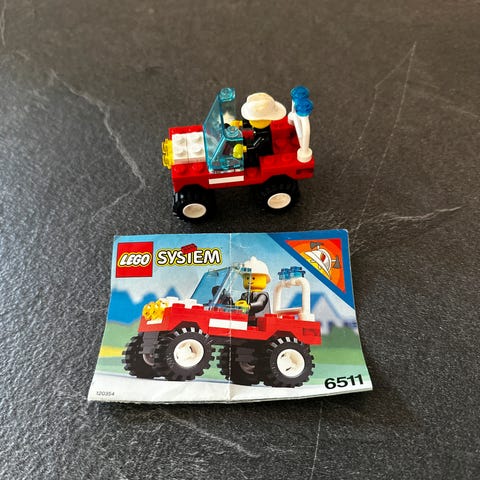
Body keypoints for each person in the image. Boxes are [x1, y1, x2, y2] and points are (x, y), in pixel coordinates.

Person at [240, 92, 286, 165]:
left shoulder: (263, 136)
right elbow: (250, 124)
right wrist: (240, 123)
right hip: (256, 138)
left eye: (254, 120)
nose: (250, 121)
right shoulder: (258, 127)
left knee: (252, 158)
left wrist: (244, 148)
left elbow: (255, 146)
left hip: (262, 153)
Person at [235, 256, 271, 325]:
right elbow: (241, 302)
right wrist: (235, 304)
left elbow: (260, 304)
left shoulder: (263, 295)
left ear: (264, 279)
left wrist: (249, 306)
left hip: (260, 321)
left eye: (253, 278)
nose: (250, 281)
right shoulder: (245, 295)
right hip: (246, 319)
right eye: (247, 278)